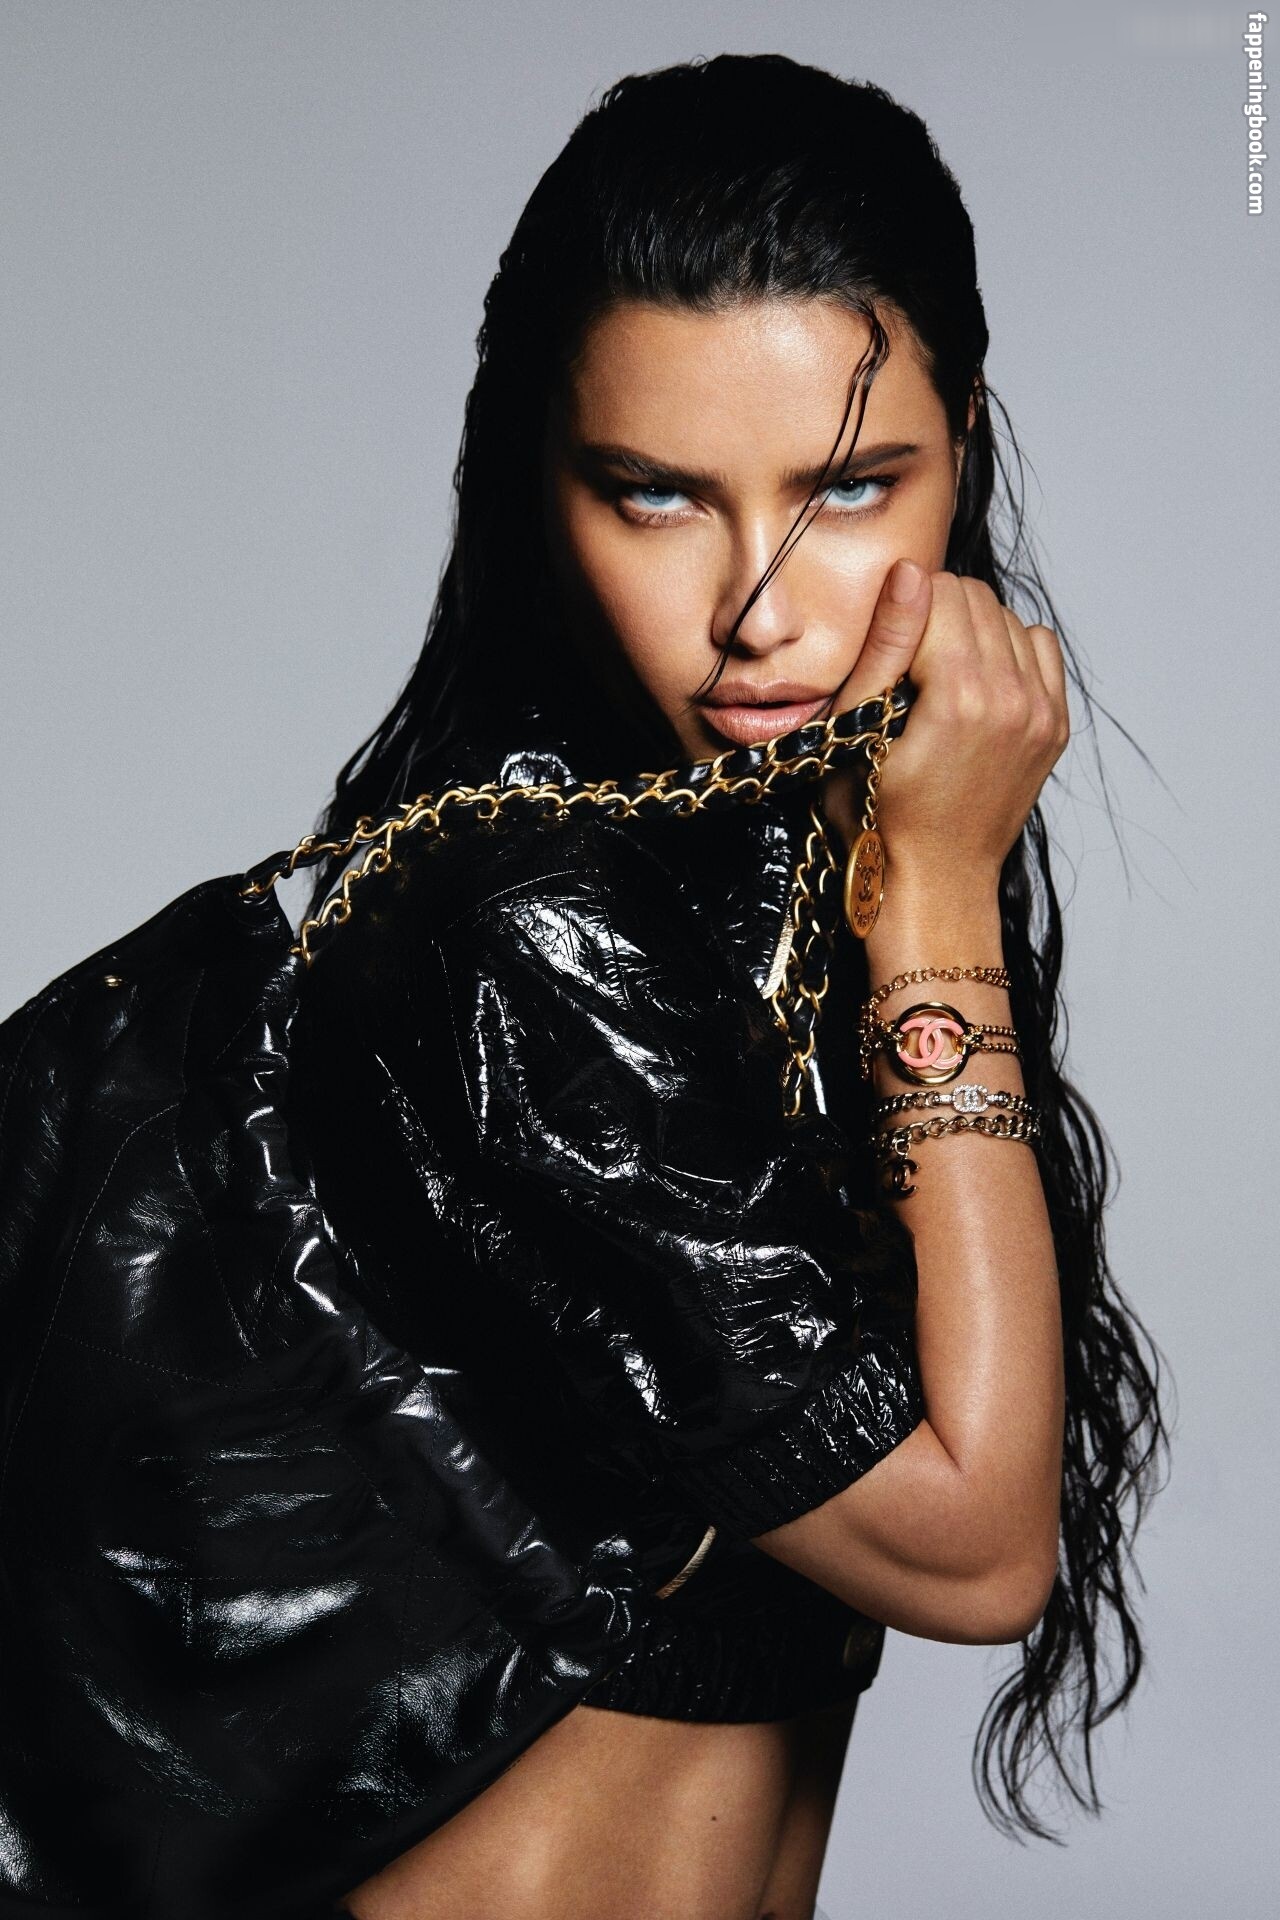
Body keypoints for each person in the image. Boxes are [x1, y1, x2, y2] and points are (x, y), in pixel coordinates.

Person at [283, 52, 1169, 1920]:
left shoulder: (780, 864)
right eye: (656, 496)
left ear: (965, 449)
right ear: (541, 488)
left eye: (848, 486)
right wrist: (939, 892)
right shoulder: (527, 930)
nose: (757, 611)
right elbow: (976, 1547)